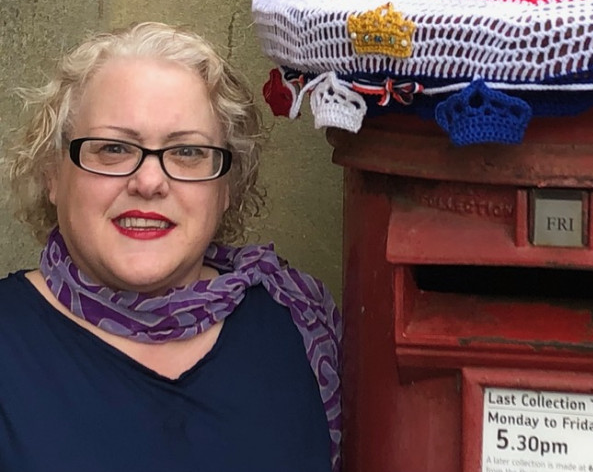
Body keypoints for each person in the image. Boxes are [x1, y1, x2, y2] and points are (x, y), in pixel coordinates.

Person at [0, 23, 341, 472]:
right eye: (113, 148)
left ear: (226, 188)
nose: (149, 182)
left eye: (187, 153)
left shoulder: (299, 323)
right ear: (52, 175)